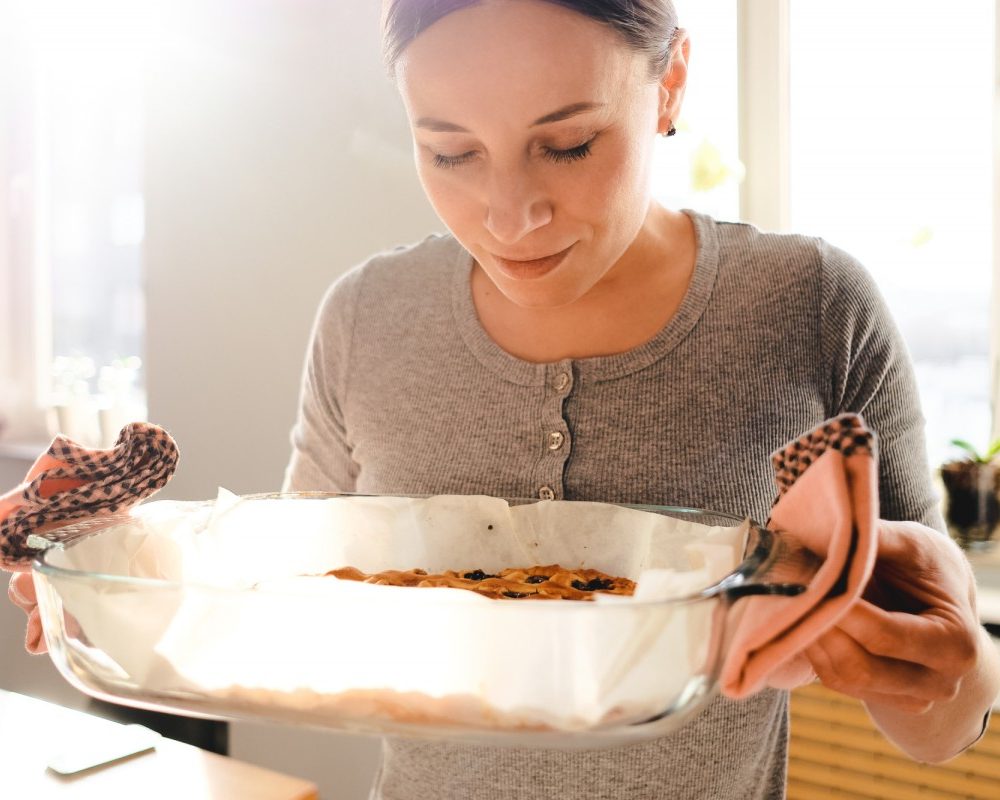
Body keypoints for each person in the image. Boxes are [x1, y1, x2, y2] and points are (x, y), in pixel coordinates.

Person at [9, 2, 999, 798]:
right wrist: (113, 580)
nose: (509, 215)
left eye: (566, 145)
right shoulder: (366, 316)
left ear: (672, 83)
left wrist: (942, 670)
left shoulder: (812, 307)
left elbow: (943, 725)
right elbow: (295, 600)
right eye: (449, 151)